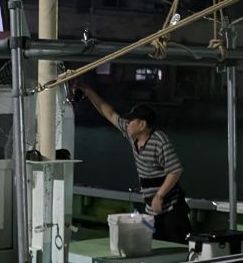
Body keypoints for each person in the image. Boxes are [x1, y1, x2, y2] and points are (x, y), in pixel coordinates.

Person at [78, 82, 192, 243]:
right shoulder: (133, 136)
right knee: (155, 244)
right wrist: (88, 90)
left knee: (178, 245)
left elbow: (175, 170)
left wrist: (159, 196)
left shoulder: (160, 141)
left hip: (172, 208)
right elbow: (109, 114)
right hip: (151, 209)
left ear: (142, 124)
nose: (127, 123)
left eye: (131, 121)